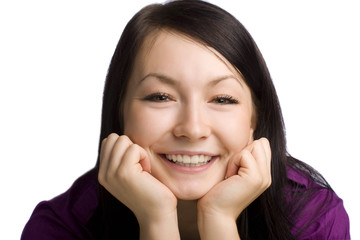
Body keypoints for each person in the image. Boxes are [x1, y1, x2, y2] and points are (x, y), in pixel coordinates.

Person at [21, 1, 350, 239]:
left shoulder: (314, 219)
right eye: (161, 97)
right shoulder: (61, 228)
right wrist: (156, 220)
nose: (192, 129)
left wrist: (219, 220)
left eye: (222, 99)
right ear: (119, 111)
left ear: (255, 118)